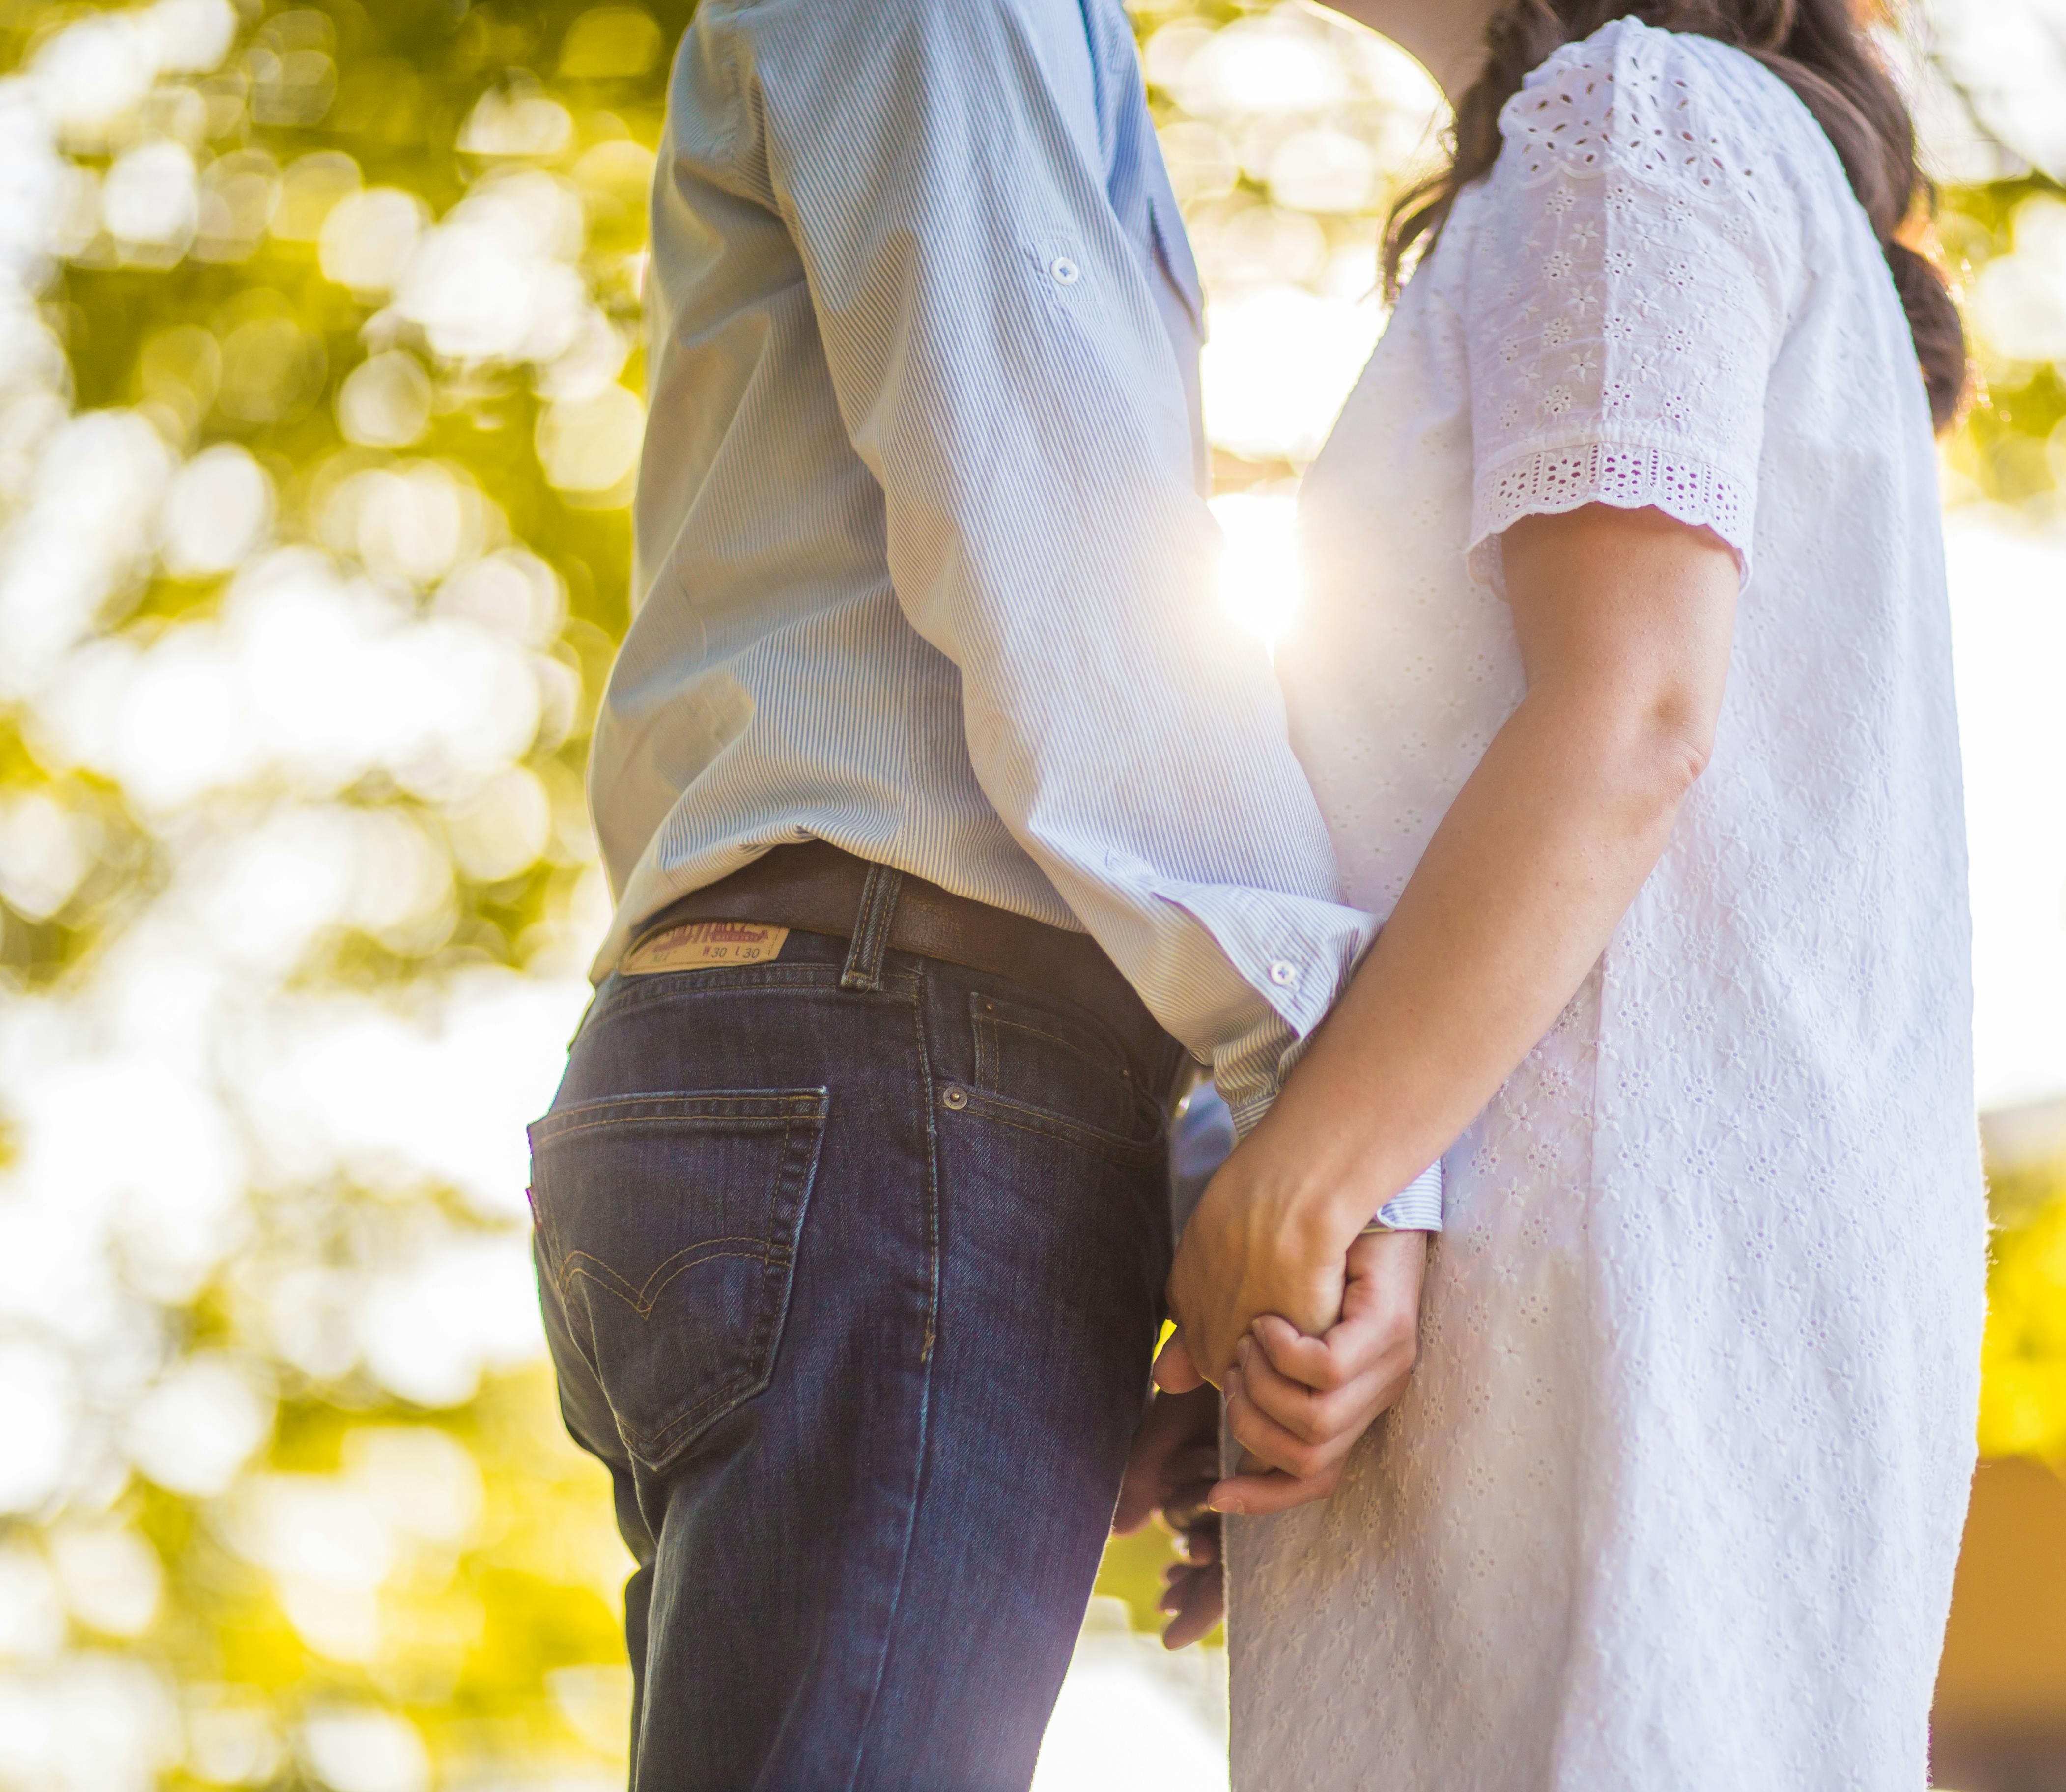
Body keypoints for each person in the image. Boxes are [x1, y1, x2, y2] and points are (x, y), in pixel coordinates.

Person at [520, 2, 1435, 1784]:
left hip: (846, 1067)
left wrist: (1186, 1198)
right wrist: (1328, 1125)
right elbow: (1056, 538)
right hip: (894, 1075)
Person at [1156, 1, 1992, 1784]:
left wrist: (1306, 1187)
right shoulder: (1641, 147)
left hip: (1619, 1318)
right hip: (1571, 1312)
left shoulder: (1638, 117)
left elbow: (1631, 721)